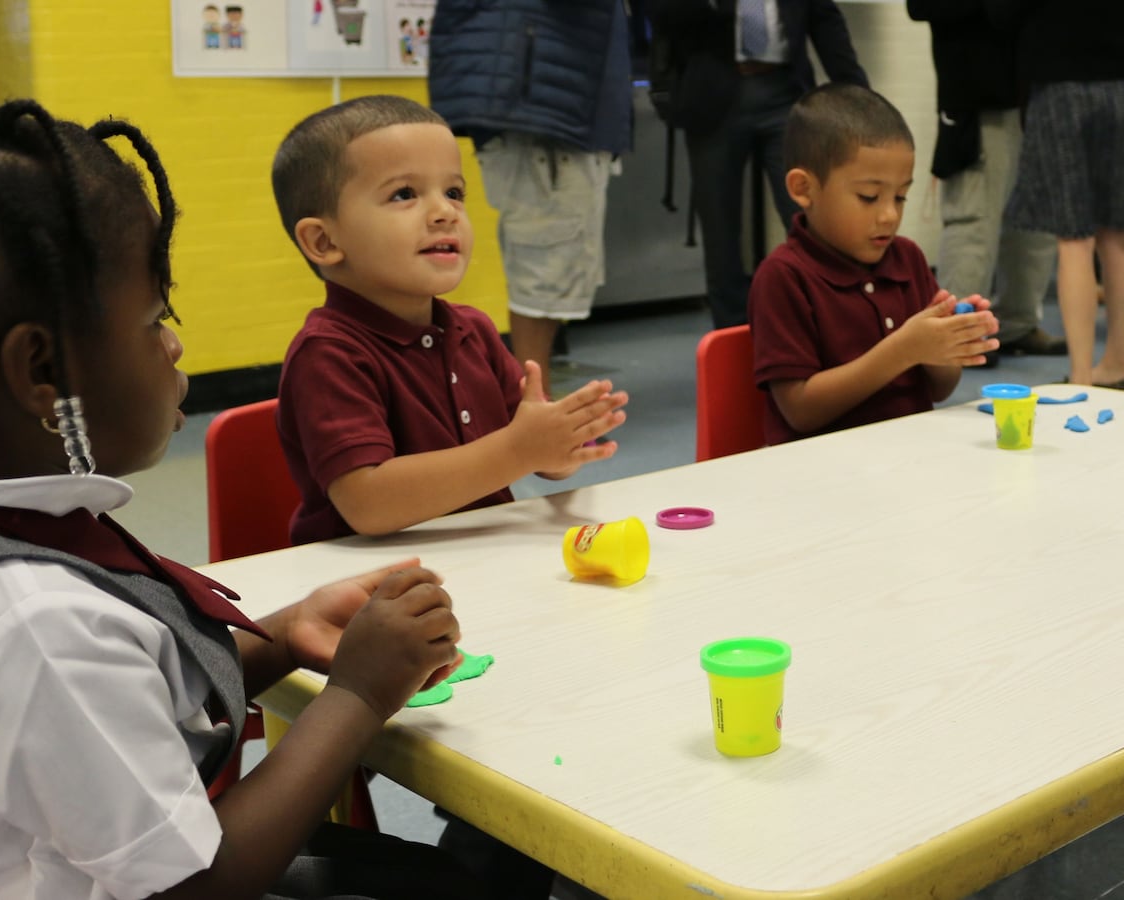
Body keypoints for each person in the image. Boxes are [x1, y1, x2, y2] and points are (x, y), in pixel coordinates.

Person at [0, 100, 479, 899]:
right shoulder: (35, 623)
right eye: (156, 319)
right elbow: (198, 886)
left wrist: (285, 638)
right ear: (40, 372)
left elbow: (127, 703)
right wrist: (359, 693)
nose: (176, 344)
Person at [270, 96, 628, 545]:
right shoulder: (328, 354)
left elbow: (532, 452)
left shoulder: (473, 331)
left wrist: (558, 447)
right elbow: (368, 503)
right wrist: (519, 449)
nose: (445, 212)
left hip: (479, 562)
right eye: (405, 194)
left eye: (454, 192)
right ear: (323, 241)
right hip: (373, 590)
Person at [748, 84, 1000, 445]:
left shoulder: (909, 259)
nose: (889, 215)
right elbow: (800, 410)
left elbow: (940, 389)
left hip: (909, 456)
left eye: (900, 197)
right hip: (822, 473)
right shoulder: (784, 276)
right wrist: (903, 349)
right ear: (804, 188)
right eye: (869, 197)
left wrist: (946, 346)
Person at [427, 0, 632, 398]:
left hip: (555, 98)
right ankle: (532, 405)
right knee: (542, 267)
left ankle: (533, 401)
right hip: (538, 100)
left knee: (556, 265)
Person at [649, 0, 869, 330]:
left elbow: (824, 19)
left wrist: (859, 97)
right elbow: (663, 14)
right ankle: (732, 336)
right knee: (720, 231)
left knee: (809, 216)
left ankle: (828, 325)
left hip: (785, 91)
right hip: (711, 96)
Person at [993, 0, 1124, 390]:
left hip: (1060, 84)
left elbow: (1002, 14)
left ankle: (1080, 377)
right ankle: (1117, 365)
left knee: (1073, 240)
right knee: (1117, 237)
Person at [906, 0, 1066, 367]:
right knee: (973, 218)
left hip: (1038, 87)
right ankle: (959, 333)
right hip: (977, 92)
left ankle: (1018, 322)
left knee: (1036, 220)